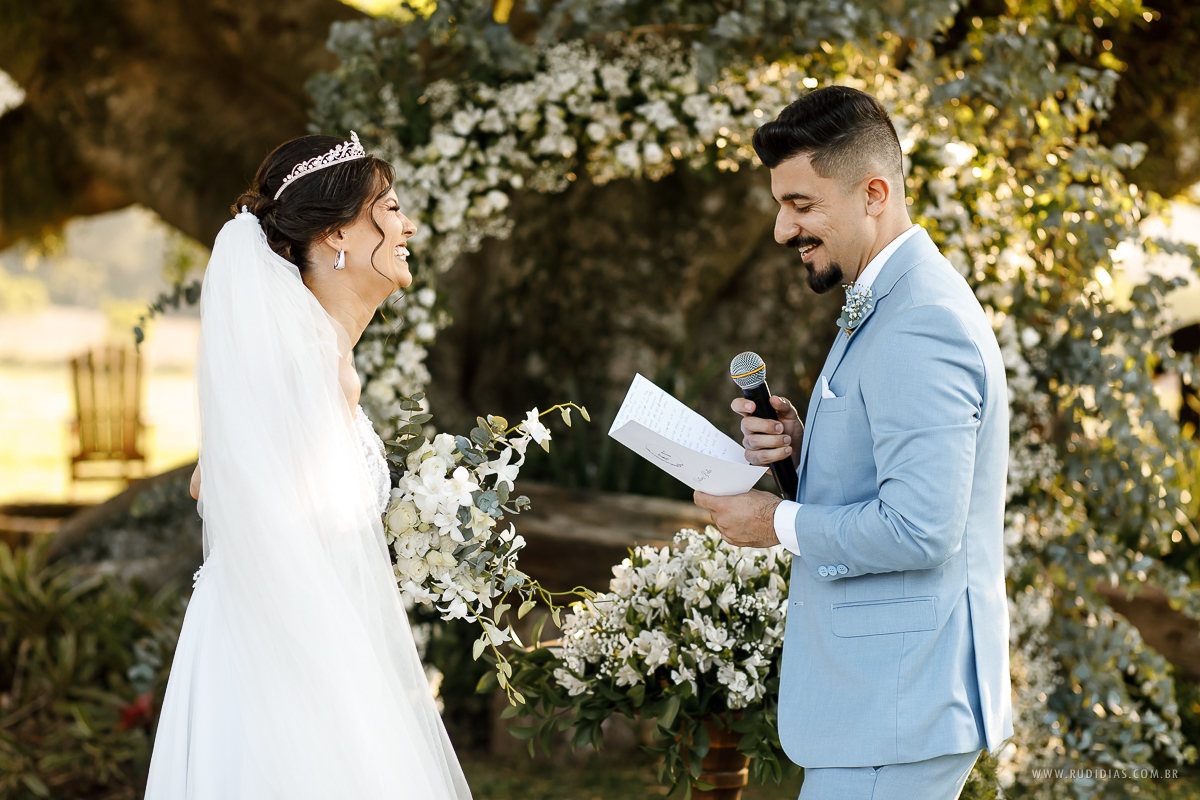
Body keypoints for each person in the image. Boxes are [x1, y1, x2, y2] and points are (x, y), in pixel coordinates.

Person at [693, 86, 1013, 799]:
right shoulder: (888, 298)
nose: (783, 229)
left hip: (897, 706)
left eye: (801, 205)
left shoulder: (921, 321)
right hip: (885, 704)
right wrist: (805, 448)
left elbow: (921, 528)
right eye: (781, 205)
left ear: (874, 193)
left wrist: (774, 522)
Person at [145, 133, 472, 799]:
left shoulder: (315, 358)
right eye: (390, 209)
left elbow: (217, 481)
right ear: (335, 236)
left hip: (289, 639)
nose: (408, 226)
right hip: (280, 660)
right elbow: (238, 503)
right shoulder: (308, 366)